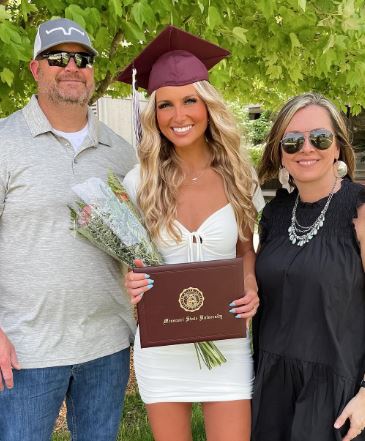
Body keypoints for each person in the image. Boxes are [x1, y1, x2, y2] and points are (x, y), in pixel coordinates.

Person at [119, 26, 264, 441]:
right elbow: (132, 260)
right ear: (154, 113)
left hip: (227, 339)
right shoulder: (139, 182)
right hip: (162, 349)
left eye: (189, 101)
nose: (178, 116)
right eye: (165, 104)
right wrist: (130, 280)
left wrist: (250, 279)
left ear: (208, 105)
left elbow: (245, 248)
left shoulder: (240, 175)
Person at [0, 18, 137, 441]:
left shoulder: (120, 152)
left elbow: (138, 243)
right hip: (27, 348)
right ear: (35, 68)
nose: (71, 66)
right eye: (57, 57)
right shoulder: (5, 143)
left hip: (108, 345)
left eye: (83, 58)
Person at [252, 93, 365, 441]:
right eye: (291, 140)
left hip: (336, 395)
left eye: (319, 137)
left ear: (337, 148)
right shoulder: (274, 214)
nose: (306, 148)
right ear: (279, 153)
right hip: (271, 390)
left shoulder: (361, 209)